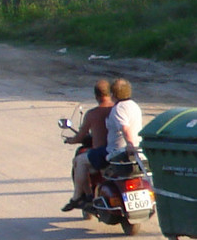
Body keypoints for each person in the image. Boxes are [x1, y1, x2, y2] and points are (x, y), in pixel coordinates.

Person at [68, 78, 143, 209]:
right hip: (133, 152)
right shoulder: (134, 106)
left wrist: (130, 144)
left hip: (115, 152)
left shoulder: (117, 109)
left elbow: (125, 128)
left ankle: (77, 197)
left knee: (80, 160)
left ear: (113, 93)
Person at [61, 79, 113, 212]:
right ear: (111, 94)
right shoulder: (117, 110)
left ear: (96, 96)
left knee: (79, 161)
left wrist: (71, 140)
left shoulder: (92, 114)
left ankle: (80, 196)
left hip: (102, 154)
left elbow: (80, 136)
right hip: (119, 151)